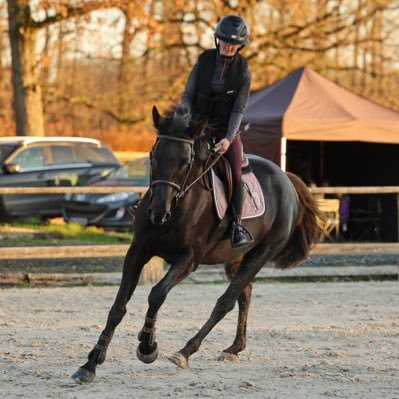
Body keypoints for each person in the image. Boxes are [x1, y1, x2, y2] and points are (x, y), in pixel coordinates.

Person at [181, 15, 252, 247]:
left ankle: (237, 225)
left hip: (225, 131)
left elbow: (239, 109)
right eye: (224, 40)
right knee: (168, 152)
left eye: (234, 43)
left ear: (240, 45)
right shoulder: (203, 61)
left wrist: (229, 139)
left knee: (235, 170)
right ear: (217, 40)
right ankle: (149, 202)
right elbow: (188, 95)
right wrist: (187, 122)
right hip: (197, 127)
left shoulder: (243, 72)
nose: (229, 46)